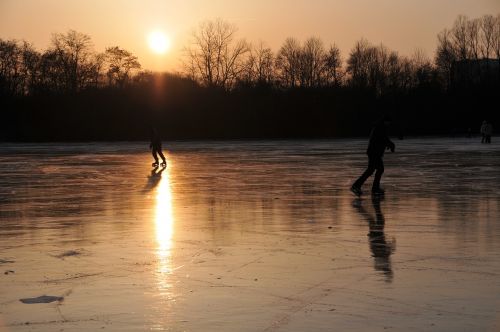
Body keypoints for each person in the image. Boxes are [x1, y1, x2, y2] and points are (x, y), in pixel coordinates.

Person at [351, 115, 395, 196]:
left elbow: (383, 139)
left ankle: (368, 187)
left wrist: (389, 144)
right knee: (377, 169)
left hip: (375, 152)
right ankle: (361, 186)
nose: (389, 124)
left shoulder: (380, 127)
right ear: (385, 121)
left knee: (373, 170)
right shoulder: (380, 128)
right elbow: (382, 139)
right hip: (374, 153)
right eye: (388, 122)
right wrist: (390, 144)